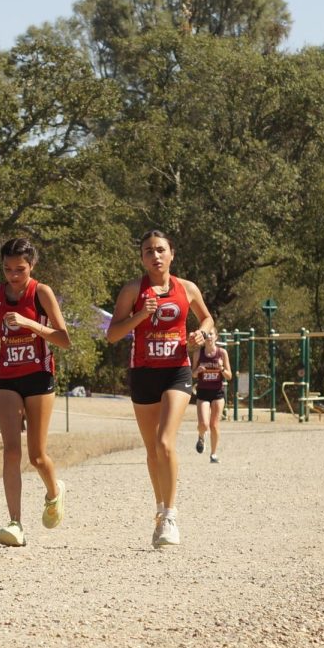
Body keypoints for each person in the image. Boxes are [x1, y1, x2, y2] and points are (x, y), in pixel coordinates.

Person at [106, 230, 214, 548]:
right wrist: (140, 314)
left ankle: (171, 515)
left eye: (160, 250)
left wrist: (201, 335)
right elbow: (112, 334)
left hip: (176, 372)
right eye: (148, 251)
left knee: (165, 442)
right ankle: (159, 510)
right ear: (142, 258)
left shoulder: (187, 288)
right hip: (143, 373)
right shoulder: (132, 290)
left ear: (171, 254)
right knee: (152, 450)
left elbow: (208, 319)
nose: (155, 256)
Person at [0, 238, 70, 547]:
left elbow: (64, 339)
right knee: (11, 450)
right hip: (8, 376)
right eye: (7, 269)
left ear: (32, 266)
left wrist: (30, 322)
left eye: (20, 269)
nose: (13, 275)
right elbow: (6, 335)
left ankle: (55, 492)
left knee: (37, 456)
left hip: (39, 376)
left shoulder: (41, 293)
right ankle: (15, 523)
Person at [191, 330, 231, 463]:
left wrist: (222, 369)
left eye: (211, 335)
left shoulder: (222, 353)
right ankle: (201, 436)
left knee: (214, 425)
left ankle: (213, 454)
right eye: (206, 335)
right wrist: (198, 370)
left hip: (218, 392)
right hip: (203, 391)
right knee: (203, 424)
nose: (209, 337)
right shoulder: (198, 353)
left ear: (216, 337)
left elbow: (229, 376)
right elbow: (193, 375)